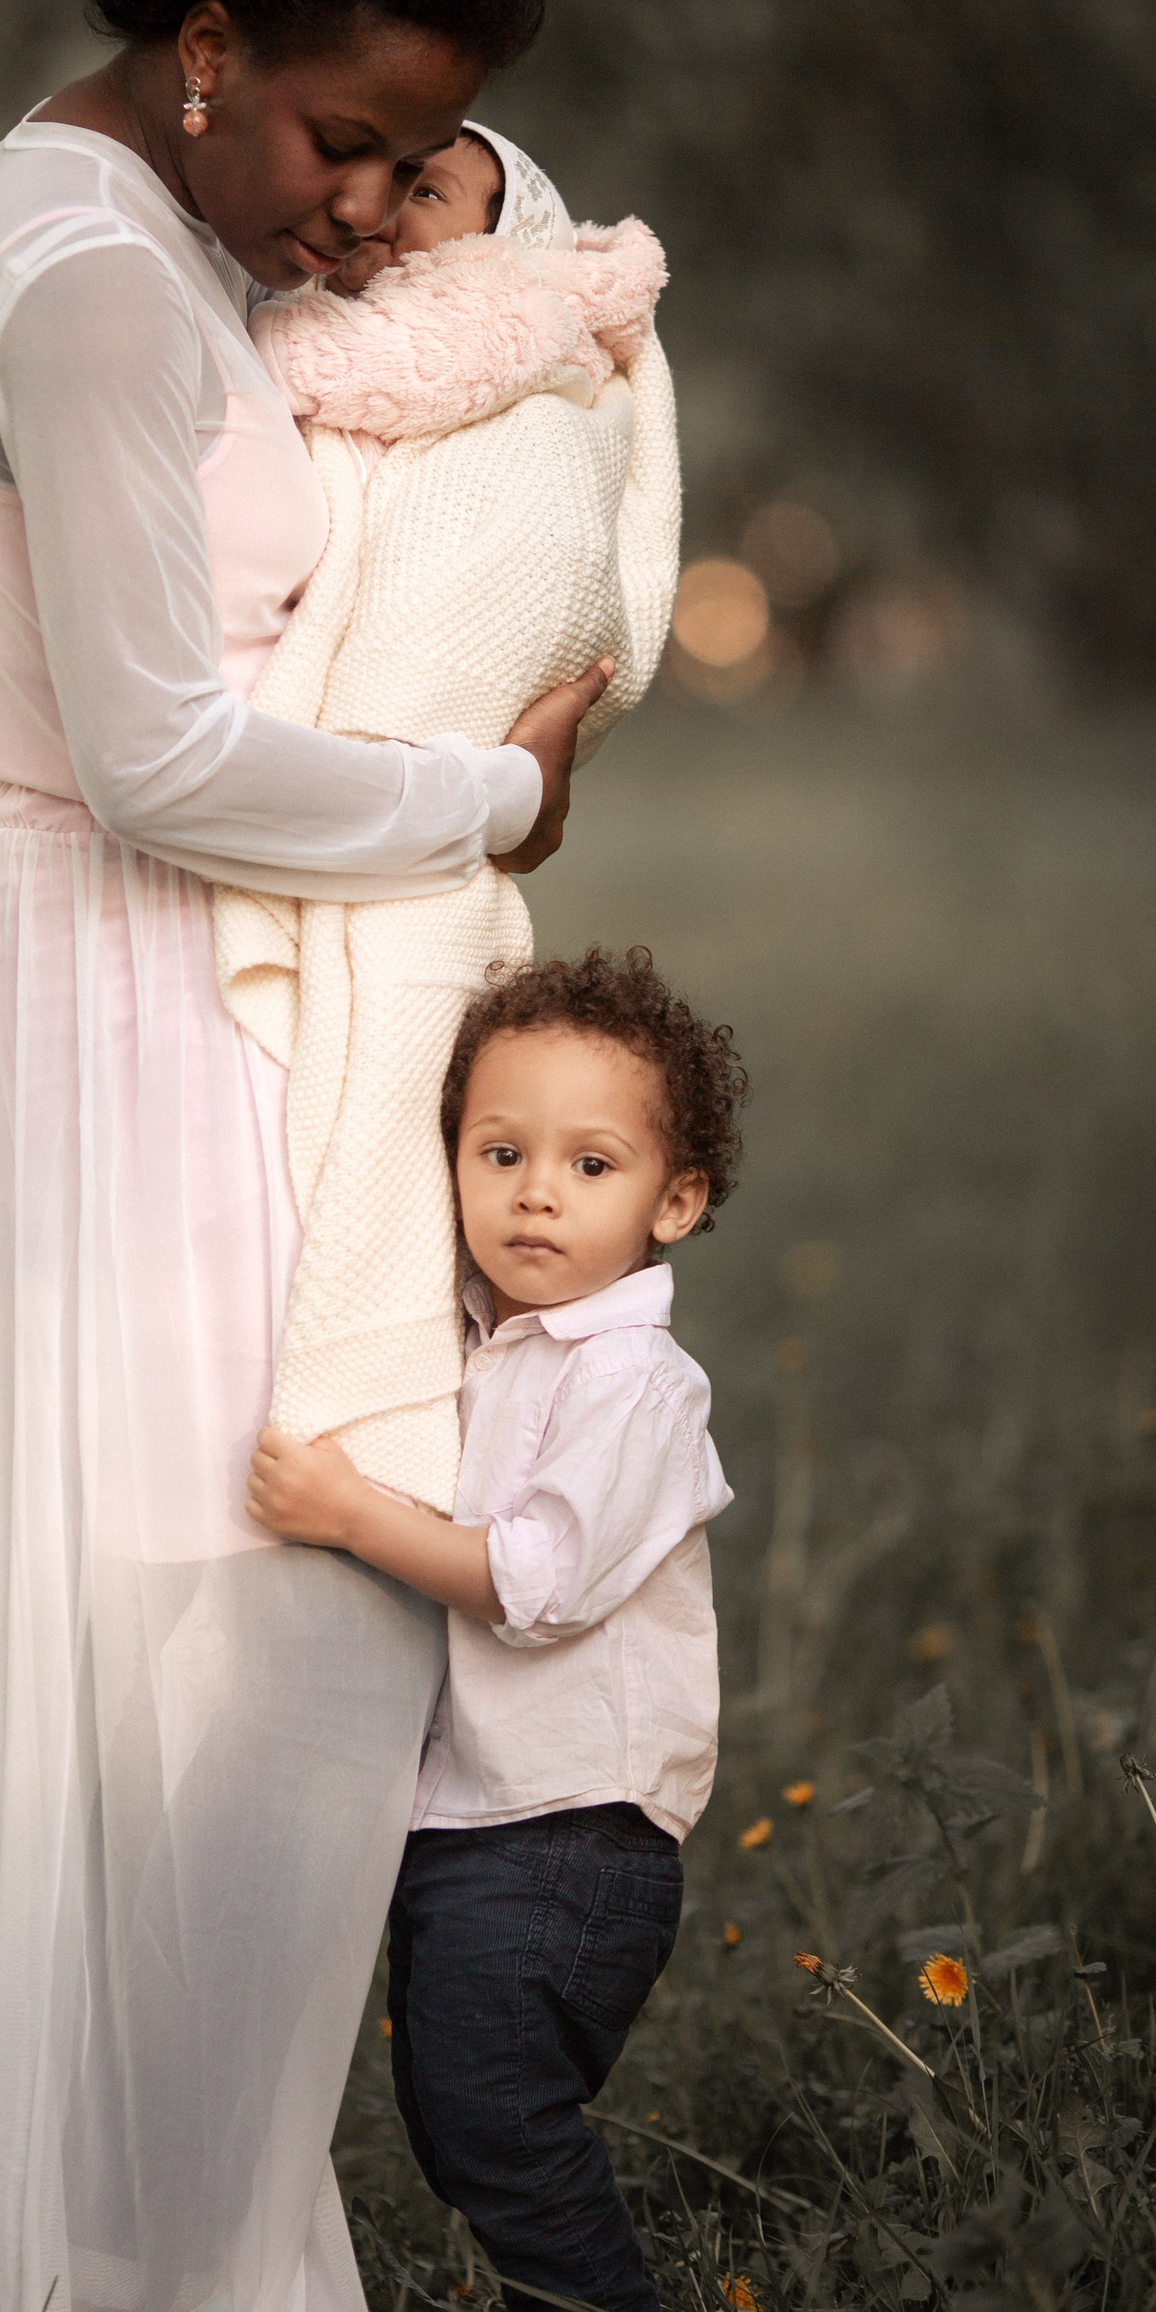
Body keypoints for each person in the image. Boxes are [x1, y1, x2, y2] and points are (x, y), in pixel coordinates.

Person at [0, 0, 609, 2312]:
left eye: (408, 150)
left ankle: (211, 2306)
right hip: (114, 979)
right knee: (226, 1650)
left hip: (212, 976)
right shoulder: (80, 278)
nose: (369, 195)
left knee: (261, 1669)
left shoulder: (166, 235)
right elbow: (163, 752)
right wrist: (492, 795)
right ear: (202, 48)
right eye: (346, 133)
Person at [247, 948, 745, 2312]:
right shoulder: (494, 1337)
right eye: (499, 1151)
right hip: (480, 1821)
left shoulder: (635, 1385)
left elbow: (533, 1584)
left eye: (590, 1164)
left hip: (574, 1832)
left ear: (675, 1201)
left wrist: (350, 1514)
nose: (535, 1191)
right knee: (460, 2112)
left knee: (487, 2110)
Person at [213, 127, 678, 1511]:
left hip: (431, 746)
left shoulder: (502, 313)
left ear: (506, 225)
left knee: (399, 1065)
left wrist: (239, 352)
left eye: (431, 192)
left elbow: (560, 551)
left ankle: (377, 1427)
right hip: (431, 789)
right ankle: (385, 1415)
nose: (395, 217)